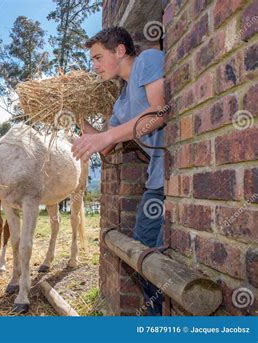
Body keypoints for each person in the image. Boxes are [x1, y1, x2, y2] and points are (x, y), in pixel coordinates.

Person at [71, 26, 166, 315]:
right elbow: (106, 147)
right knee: (142, 256)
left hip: (178, 177)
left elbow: (159, 113)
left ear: (120, 51)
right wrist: (77, 115)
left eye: (98, 57)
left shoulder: (147, 60)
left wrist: (107, 136)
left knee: (157, 261)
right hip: (157, 184)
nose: (95, 66)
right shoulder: (122, 102)